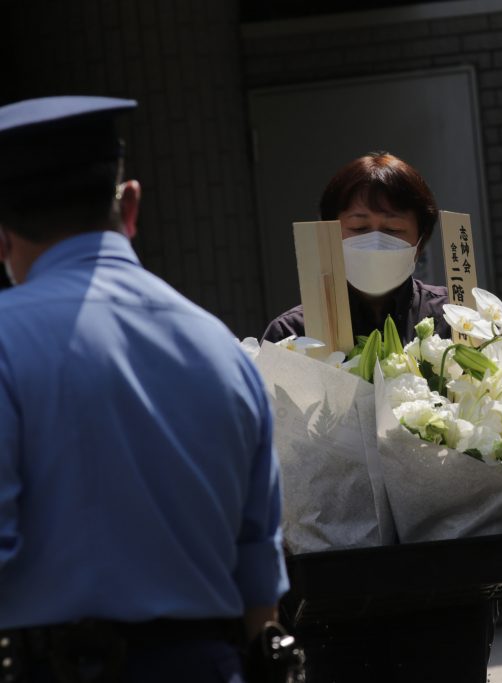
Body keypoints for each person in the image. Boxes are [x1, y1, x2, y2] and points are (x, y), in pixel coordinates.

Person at [262, 151, 502, 682]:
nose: (374, 239)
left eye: (392, 228)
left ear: (421, 238)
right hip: (336, 587)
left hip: (450, 580)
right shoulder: (294, 336)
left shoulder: (461, 323)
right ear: (328, 234)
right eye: (358, 226)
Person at [0, 96, 290, 681]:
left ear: (2, 237)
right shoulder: (222, 347)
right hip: (212, 663)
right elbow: (260, 572)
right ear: (129, 204)